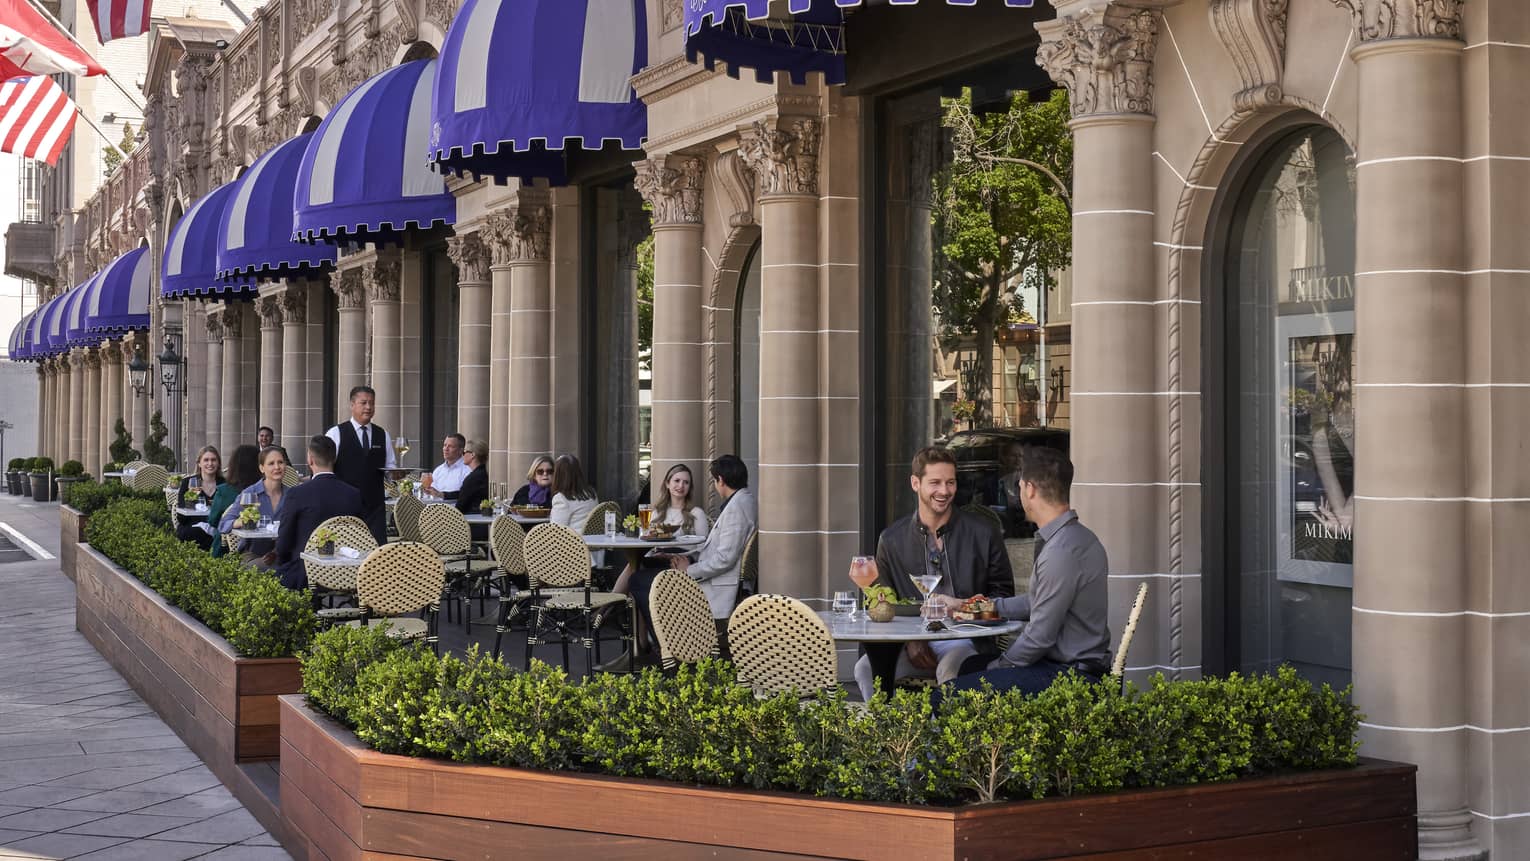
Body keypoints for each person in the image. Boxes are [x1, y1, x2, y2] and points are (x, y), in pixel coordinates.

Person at [942, 446, 1110, 696]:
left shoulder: (1061, 551)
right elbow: (1035, 603)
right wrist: (970, 607)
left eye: (1019, 485)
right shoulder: (1077, 538)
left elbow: (1039, 637)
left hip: (1072, 676)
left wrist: (998, 668)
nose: (1018, 492)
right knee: (968, 667)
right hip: (1068, 666)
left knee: (945, 695)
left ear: (1029, 489)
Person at [854, 446, 1015, 700]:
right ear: (915, 483)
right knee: (865, 670)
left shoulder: (983, 534)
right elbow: (884, 602)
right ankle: (888, 737)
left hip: (967, 638)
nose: (944, 491)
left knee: (951, 669)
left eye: (950, 482)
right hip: (912, 642)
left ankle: (946, 738)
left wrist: (963, 610)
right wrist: (911, 640)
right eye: (935, 482)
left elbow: (1004, 596)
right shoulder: (892, 539)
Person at [601, 463, 713, 672]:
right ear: (667, 484)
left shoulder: (695, 513)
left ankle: (610, 610)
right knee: (637, 567)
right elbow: (648, 541)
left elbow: (701, 548)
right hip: (657, 560)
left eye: (685, 482)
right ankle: (639, 641)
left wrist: (675, 555)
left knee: (636, 573)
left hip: (680, 565)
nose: (681, 486)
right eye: (677, 481)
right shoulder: (657, 512)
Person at [664, 455, 756, 627]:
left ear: (720, 480)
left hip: (719, 585)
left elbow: (725, 559)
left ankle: (671, 644)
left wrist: (689, 569)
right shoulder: (745, 500)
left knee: (642, 582)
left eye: (714, 480)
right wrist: (690, 558)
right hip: (717, 575)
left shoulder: (736, 508)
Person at [273, 435, 363, 590]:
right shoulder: (353, 494)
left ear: (310, 459)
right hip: (346, 573)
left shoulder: (297, 494)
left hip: (306, 573)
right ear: (334, 459)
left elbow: (284, 542)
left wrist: (283, 561)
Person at [326, 386, 393, 545]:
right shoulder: (335, 433)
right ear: (352, 405)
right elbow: (326, 469)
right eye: (363, 403)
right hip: (344, 505)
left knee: (377, 553)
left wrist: (396, 475)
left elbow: (390, 468)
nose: (368, 407)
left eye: (372, 403)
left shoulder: (382, 434)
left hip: (375, 506)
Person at [219, 446, 290, 568]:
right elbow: (223, 525)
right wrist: (242, 521)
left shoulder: (292, 495)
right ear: (262, 468)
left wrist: (276, 552)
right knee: (278, 568)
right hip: (253, 554)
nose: (277, 467)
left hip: (283, 553)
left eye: (280, 462)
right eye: (271, 463)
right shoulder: (250, 494)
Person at [207, 445, 262, 559]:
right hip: (260, 547)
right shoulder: (262, 493)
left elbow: (213, 520)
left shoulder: (224, 491)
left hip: (225, 550)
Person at [176, 446, 225, 550]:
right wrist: (191, 498)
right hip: (191, 526)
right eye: (206, 460)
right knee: (197, 533)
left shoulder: (224, 484)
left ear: (218, 463)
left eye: (213, 460)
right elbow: (181, 518)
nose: (210, 463)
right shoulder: (188, 483)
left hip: (217, 527)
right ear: (199, 463)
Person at [548, 454, 597, 530]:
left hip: (571, 541)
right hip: (590, 539)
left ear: (558, 474)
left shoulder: (561, 498)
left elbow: (555, 531)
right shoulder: (591, 493)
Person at [421, 434, 471, 500]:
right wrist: (426, 490)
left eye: (451, 446)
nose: (446, 449)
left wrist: (441, 494)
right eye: (445, 445)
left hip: (456, 509)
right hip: (434, 508)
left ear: (460, 450)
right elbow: (431, 495)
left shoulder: (467, 470)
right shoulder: (438, 470)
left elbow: (467, 495)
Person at [453, 439, 490, 515]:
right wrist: (443, 494)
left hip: (471, 522)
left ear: (473, 455)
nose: (462, 455)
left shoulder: (473, 478)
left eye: (464, 452)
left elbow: (460, 506)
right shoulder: (483, 474)